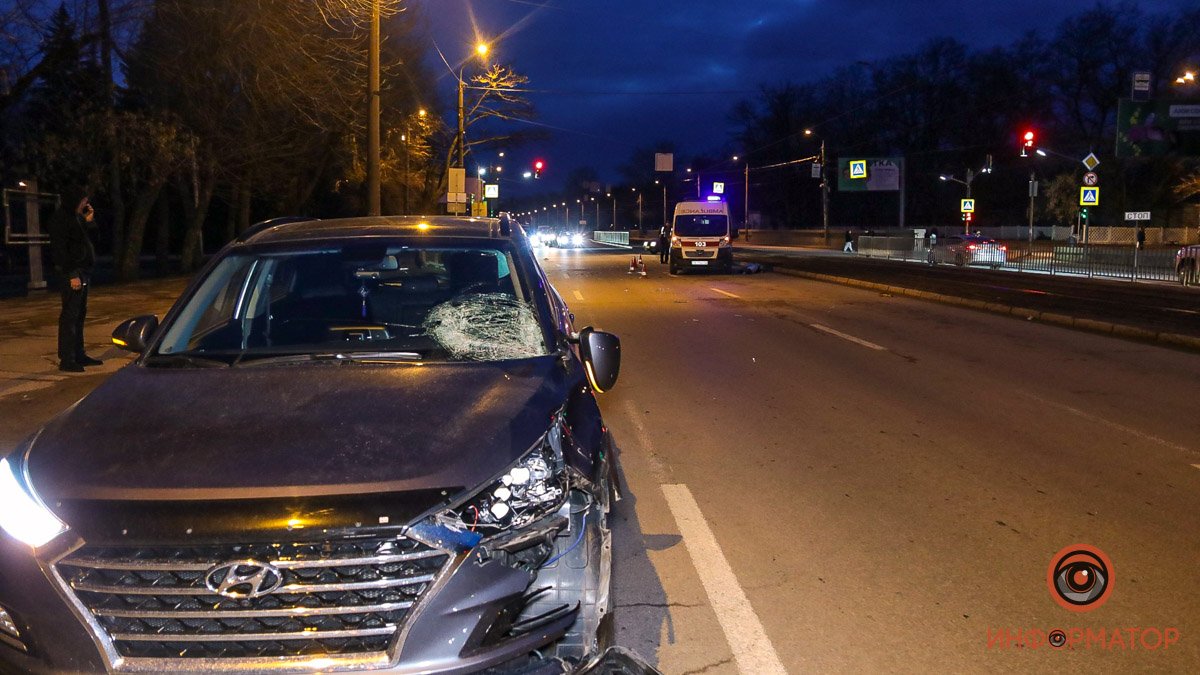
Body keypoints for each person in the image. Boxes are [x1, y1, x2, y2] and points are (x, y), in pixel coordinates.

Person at [50, 189, 102, 372]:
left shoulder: (77, 218)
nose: (85, 204)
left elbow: (89, 239)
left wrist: (90, 220)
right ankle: (67, 359)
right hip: (72, 273)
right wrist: (72, 274)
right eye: (83, 201)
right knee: (70, 316)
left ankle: (79, 354)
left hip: (83, 271)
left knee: (79, 314)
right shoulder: (61, 219)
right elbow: (60, 250)